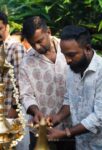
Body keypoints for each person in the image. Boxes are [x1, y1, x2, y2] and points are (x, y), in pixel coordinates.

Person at [47, 25, 102, 150]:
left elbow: (100, 118)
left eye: (71, 55)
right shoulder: (72, 69)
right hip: (81, 144)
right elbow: (69, 99)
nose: (67, 60)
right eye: (64, 55)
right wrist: (57, 117)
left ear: (87, 48)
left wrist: (66, 133)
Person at [20, 16, 74, 150]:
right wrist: (35, 111)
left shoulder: (70, 50)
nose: (37, 47)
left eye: (40, 41)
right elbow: (26, 95)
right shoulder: (26, 62)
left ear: (48, 32)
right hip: (41, 131)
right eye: (33, 44)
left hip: (72, 128)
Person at [0, 12, 25, 115]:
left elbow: (21, 82)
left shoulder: (15, 47)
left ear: (7, 27)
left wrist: (14, 108)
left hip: (9, 111)